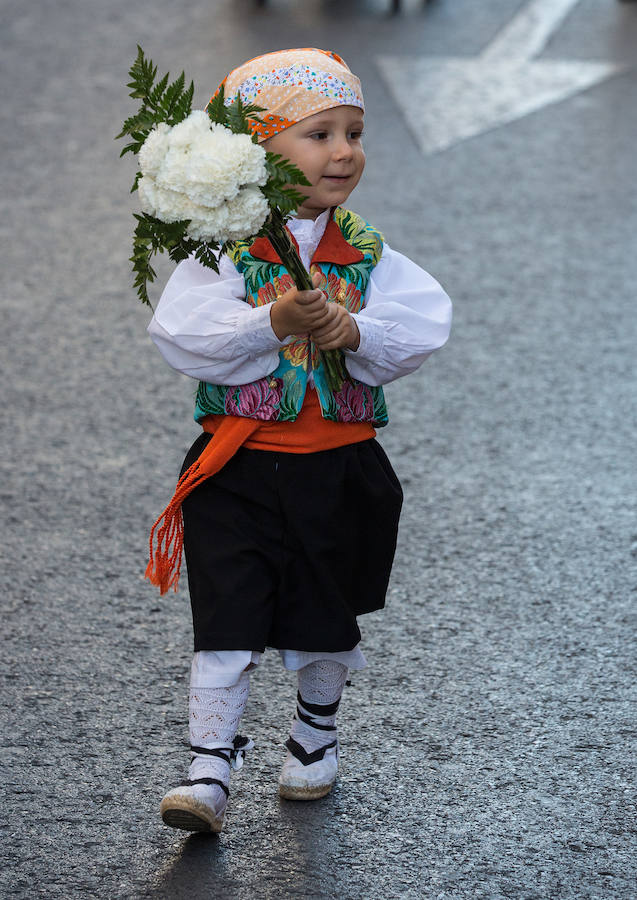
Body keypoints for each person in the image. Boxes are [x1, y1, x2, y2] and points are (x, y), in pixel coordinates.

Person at [147, 48, 452, 833]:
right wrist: (269, 320)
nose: (344, 150)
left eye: (354, 131)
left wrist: (356, 330)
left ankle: (315, 737)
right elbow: (182, 333)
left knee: (324, 615)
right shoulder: (226, 247)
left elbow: (420, 327)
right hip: (238, 470)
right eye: (319, 134)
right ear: (259, 154)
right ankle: (208, 767)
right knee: (226, 619)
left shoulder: (364, 250)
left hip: (336, 470)